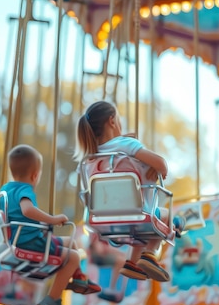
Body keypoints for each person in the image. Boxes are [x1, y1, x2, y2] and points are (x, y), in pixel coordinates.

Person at [0, 144, 101, 305]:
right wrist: (52, 219)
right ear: (35, 175)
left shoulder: (5, 190)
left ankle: (78, 279)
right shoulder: (25, 189)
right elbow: (27, 209)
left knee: (71, 242)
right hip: (30, 242)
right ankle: (52, 299)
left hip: (24, 238)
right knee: (73, 256)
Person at [74, 100, 173, 282]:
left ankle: (132, 263)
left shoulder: (88, 159)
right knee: (166, 216)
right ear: (112, 121)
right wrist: (155, 166)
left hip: (103, 217)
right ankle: (150, 255)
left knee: (140, 229)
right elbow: (162, 165)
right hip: (136, 212)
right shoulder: (126, 145)